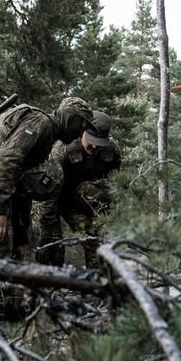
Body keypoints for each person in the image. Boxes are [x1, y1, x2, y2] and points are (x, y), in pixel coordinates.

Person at [0, 96, 94, 259]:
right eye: (82, 127)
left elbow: (20, 193)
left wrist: (20, 238)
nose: (80, 134)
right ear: (71, 118)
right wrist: (0, 208)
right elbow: (9, 157)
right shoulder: (40, 122)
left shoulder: (47, 136)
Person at [33, 110, 123, 269]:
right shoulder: (62, 149)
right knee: (52, 246)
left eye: (99, 143)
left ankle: (97, 280)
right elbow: (47, 191)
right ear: (83, 132)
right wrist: (47, 229)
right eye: (91, 141)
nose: (94, 146)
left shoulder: (112, 151)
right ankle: (47, 279)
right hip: (52, 197)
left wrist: (104, 218)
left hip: (78, 201)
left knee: (94, 242)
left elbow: (114, 185)